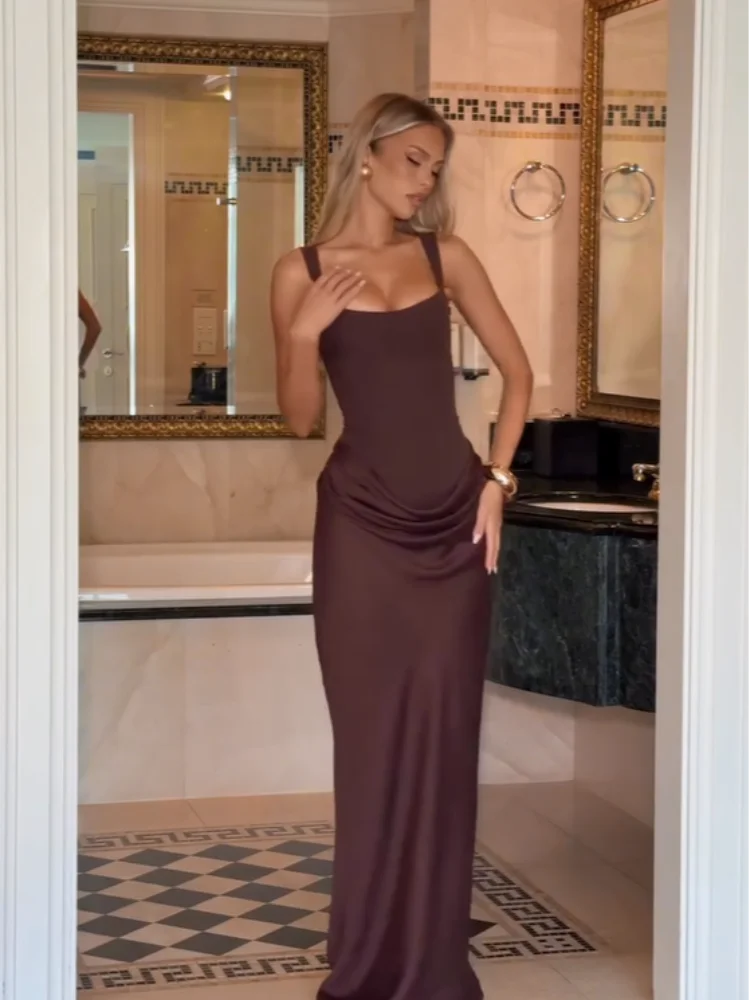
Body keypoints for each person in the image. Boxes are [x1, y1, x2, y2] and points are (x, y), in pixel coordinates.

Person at [271, 93, 533, 1000]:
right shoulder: (300, 270)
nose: (425, 180)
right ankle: (368, 960)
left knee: (447, 741)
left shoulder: (444, 256)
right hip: (360, 530)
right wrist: (303, 333)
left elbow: (519, 373)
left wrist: (498, 481)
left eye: (435, 167)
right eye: (414, 160)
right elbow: (299, 419)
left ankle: (430, 963)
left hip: (455, 525)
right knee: (370, 744)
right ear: (368, 157)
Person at [78, 289, 102, 378]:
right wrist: (79, 364)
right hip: (63, 366)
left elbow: (95, 328)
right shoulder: (68, 288)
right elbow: (94, 328)